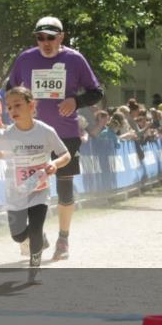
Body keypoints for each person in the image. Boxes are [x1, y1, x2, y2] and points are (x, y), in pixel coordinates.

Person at [7, 16, 103, 260]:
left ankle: (63, 239)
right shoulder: (25, 58)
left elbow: (96, 92)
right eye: (40, 38)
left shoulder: (74, 59)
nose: (45, 42)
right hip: (32, 134)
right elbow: (10, 89)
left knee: (64, 190)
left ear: (61, 37)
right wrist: (19, 108)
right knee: (28, 189)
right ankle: (35, 235)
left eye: (50, 37)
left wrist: (76, 101)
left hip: (65, 134)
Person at [0, 87, 70, 276]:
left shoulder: (45, 131)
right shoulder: (9, 134)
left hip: (39, 188)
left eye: (17, 105)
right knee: (18, 236)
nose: (12, 110)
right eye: (9, 107)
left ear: (31, 106)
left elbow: (66, 155)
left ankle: (34, 267)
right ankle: (38, 239)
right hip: (16, 191)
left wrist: (54, 164)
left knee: (36, 227)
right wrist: (5, 156)